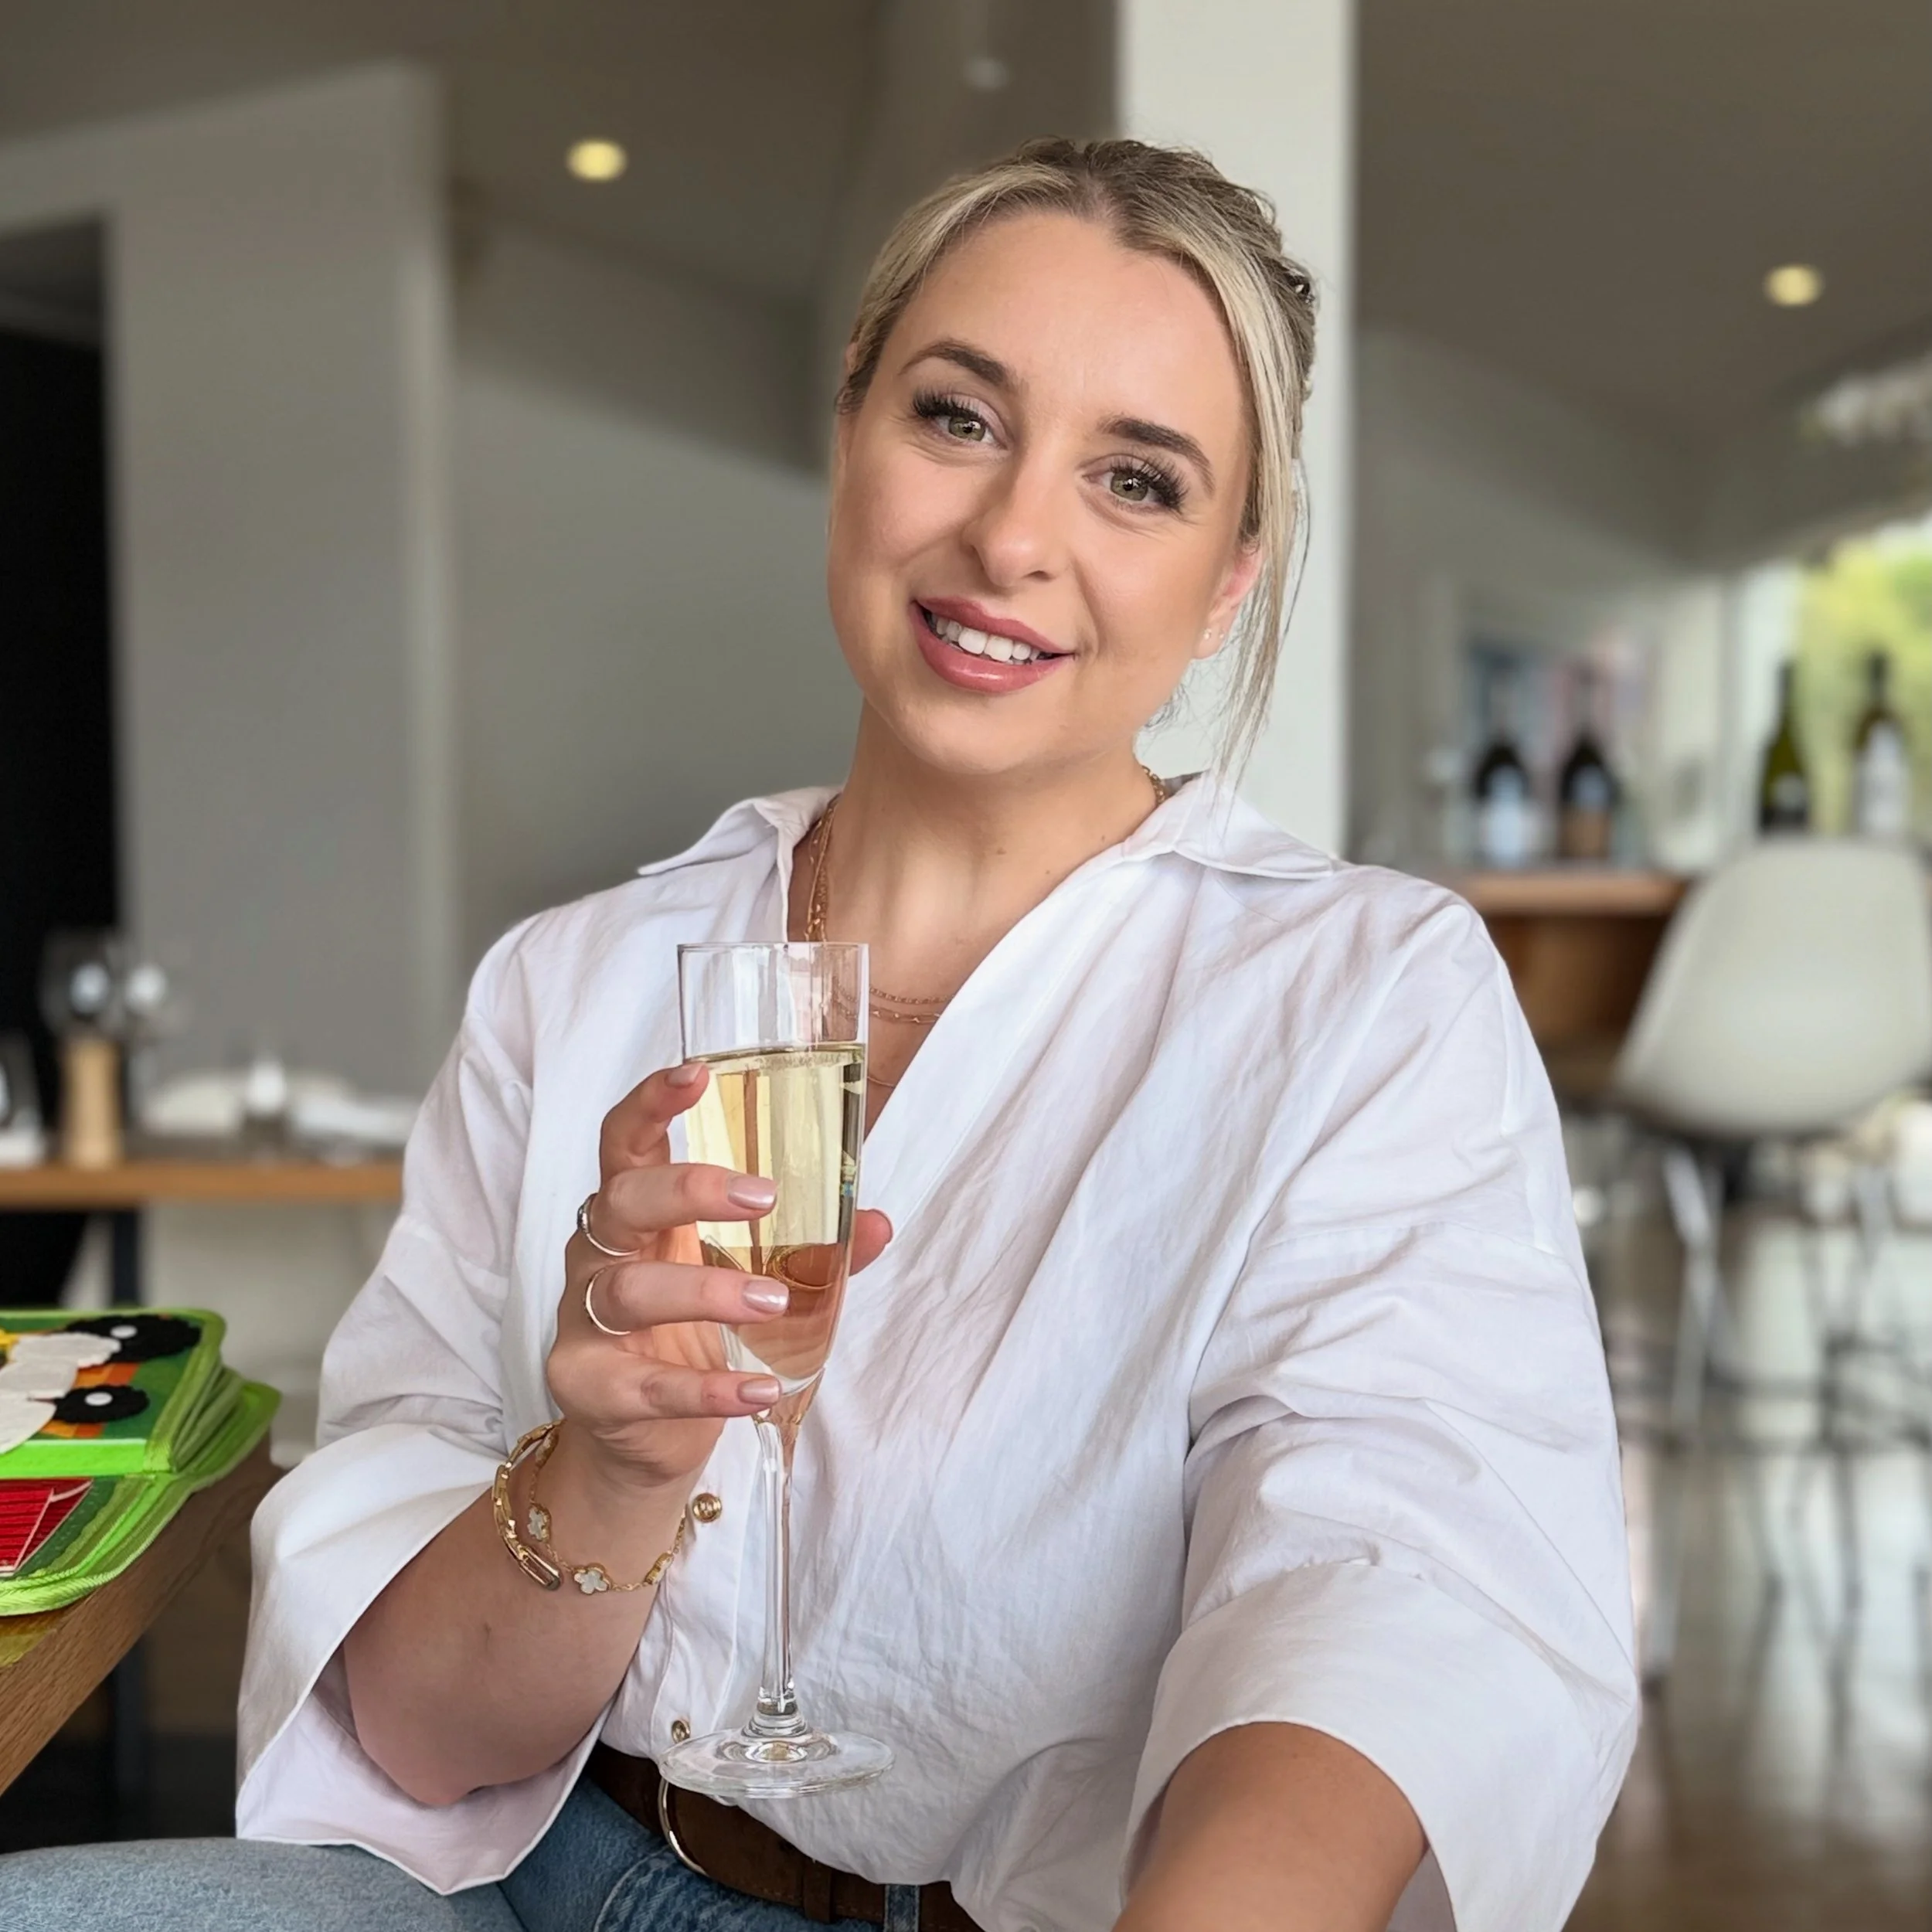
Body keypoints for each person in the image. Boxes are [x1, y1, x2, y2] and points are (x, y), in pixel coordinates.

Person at [0, 137, 1635, 1932]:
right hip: (521, 1878)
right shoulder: (574, 980)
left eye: (1135, 479)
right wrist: (612, 1469)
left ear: (1226, 584)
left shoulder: (1355, 995)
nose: (1014, 535)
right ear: (849, 430)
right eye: (957, 416)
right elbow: (412, 1727)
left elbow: (1388, 1586)